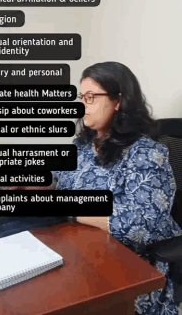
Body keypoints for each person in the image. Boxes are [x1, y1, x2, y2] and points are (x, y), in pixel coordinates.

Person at [48, 62, 182, 315]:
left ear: (118, 101)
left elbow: (142, 222)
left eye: (90, 97)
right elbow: (59, 176)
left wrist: (73, 213)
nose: (81, 105)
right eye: (80, 97)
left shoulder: (147, 153)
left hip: (131, 264)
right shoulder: (82, 146)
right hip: (82, 248)